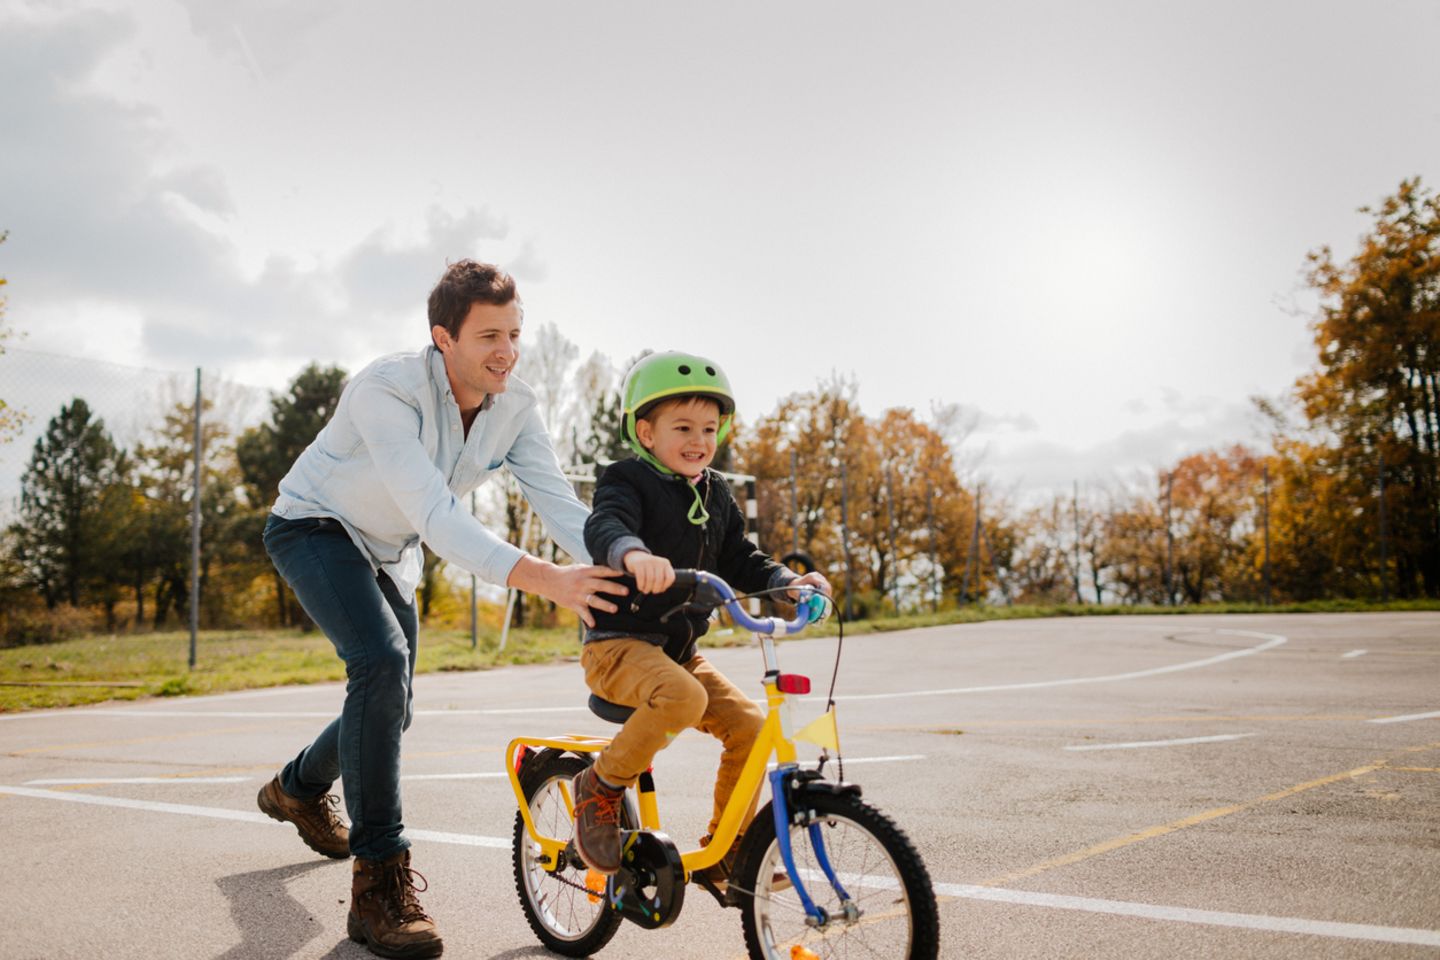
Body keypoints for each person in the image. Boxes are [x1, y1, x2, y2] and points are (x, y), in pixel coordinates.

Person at [257, 260, 626, 959]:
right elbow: (432, 510)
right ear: (442, 338)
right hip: (314, 526)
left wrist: (621, 561)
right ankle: (378, 888)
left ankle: (297, 788)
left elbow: (560, 504)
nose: (507, 351)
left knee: (391, 700)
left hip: (389, 549)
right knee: (381, 663)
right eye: (490, 335)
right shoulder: (386, 389)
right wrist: (544, 578)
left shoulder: (515, 405)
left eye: (516, 334)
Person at [571, 351, 832, 888]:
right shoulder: (625, 479)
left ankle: (726, 852)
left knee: (752, 728)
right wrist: (631, 554)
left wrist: (787, 581)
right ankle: (599, 785)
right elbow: (606, 525)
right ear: (645, 433)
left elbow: (740, 556)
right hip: (618, 646)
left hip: (678, 653)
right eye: (683, 427)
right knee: (684, 697)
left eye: (709, 428)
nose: (699, 439)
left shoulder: (716, 494)